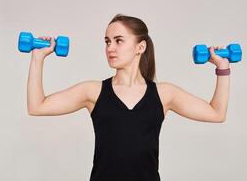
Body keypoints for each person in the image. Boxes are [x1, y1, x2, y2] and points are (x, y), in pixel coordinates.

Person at [27, 14, 230, 181]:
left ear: (140, 47)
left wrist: (223, 68)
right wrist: (37, 57)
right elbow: (37, 106)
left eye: (118, 41)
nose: (110, 48)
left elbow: (216, 113)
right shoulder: (93, 92)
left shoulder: (164, 94)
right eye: (107, 42)